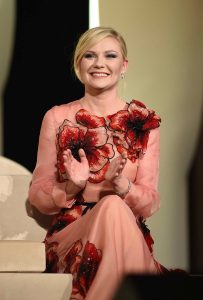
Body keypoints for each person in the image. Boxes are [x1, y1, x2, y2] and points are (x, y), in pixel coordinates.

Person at [28, 26, 168, 300]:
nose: (100, 63)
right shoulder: (57, 117)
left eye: (110, 55)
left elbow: (150, 203)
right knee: (112, 206)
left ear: (123, 65)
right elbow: (38, 195)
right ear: (79, 64)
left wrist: (124, 186)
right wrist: (71, 186)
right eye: (90, 55)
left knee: (115, 205)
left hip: (127, 233)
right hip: (73, 235)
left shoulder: (144, 122)